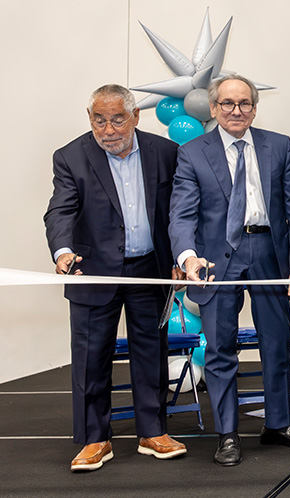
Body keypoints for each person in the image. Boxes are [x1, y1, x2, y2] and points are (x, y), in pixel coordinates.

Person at [170, 74, 290, 466]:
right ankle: (228, 434)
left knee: (276, 343)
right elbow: (181, 215)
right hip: (216, 260)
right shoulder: (193, 153)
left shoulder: (279, 146)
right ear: (214, 108)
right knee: (219, 348)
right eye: (228, 104)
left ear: (255, 107)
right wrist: (188, 258)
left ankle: (279, 425)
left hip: (269, 251)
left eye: (245, 103)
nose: (237, 111)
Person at [44, 84, 187, 471]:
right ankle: (95, 440)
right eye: (98, 119)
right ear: (89, 118)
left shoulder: (166, 152)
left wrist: (179, 258)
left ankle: (152, 432)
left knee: (151, 354)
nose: (107, 129)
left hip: (149, 270)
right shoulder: (71, 157)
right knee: (91, 359)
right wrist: (62, 253)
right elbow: (59, 212)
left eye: (117, 119)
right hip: (92, 271)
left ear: (136, 116)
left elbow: (177, 213)